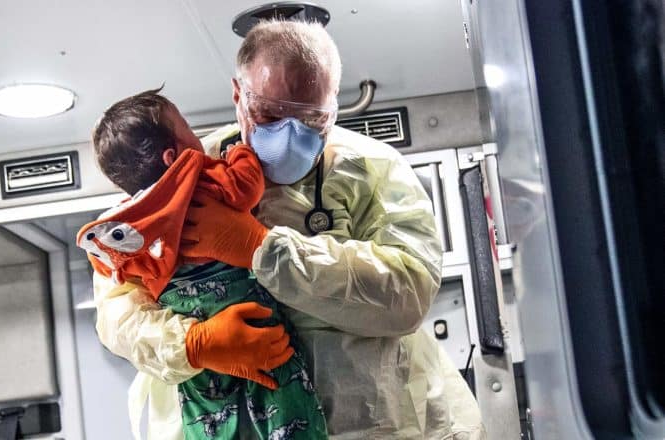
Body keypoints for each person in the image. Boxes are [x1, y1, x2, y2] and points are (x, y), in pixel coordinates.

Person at [94, 20, 485, 439]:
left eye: (311, 118)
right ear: (238, 96)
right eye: (269, 114)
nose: (289, 134)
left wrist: (261, 249)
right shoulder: (175, 182)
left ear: (333, 106)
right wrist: (195, 343)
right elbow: (118, 312)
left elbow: (410, 291)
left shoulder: (371, 168)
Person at [80, 89, 327, 439]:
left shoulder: (124, 230)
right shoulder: (203, 175)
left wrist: (201, 344)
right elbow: (244, 187)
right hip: (244, 310)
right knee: (282, 389)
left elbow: (114, 271)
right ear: (172, 157)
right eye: (187, 128)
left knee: (204, 407)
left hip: (190, 324)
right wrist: (241, 154)